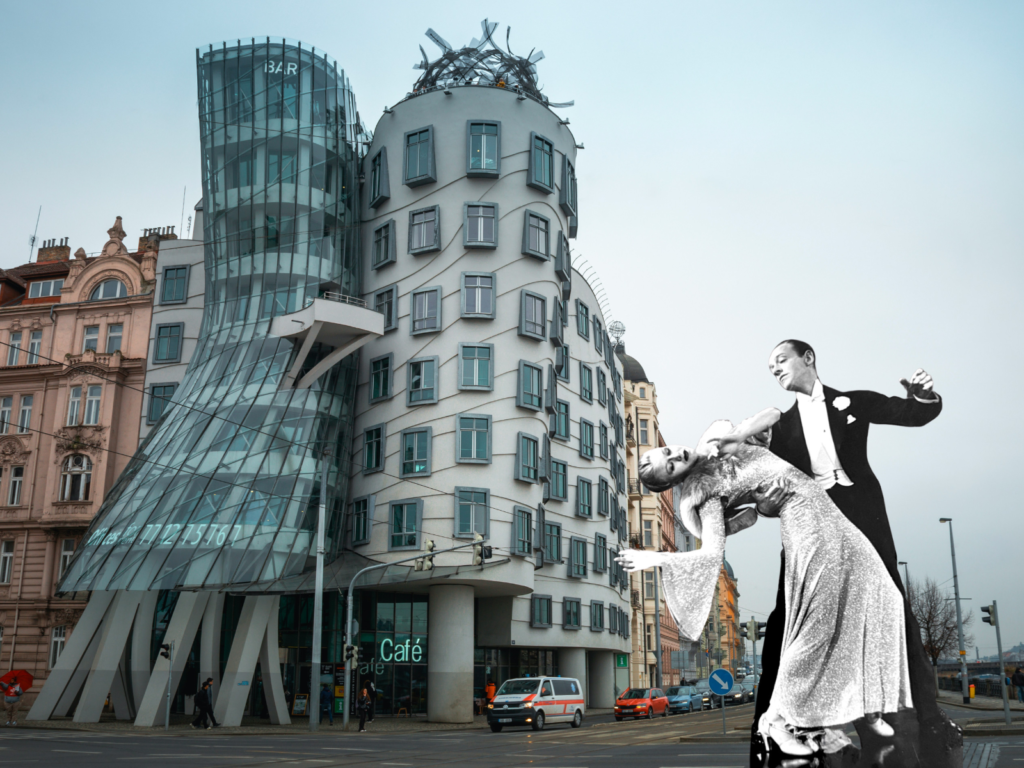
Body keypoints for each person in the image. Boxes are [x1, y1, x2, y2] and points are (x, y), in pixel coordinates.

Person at [625, 408, 910, 758]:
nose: (675, 457)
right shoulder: (704, 495)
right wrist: (657, 558)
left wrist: (736, 437)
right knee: (817, 623)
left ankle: (871, 704)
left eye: (666, 453)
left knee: (886, 595)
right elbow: (715, 550)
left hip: (823, 507)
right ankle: (776, 720)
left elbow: (772, 414)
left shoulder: (716, 435)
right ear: (673, 482)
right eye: (669, 468)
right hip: (803, 524)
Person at [752, 340, 958, 767]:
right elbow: (764, 495)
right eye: (769, 367)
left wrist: (922, 395)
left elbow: (913, 414)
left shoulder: (853, 401)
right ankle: (772, 733)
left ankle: (929, 721)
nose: (774, 369)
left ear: (807, 358)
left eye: (781, 360)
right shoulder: (779, 430)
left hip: (862, 513)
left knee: (895, 606)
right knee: (786, 613)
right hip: (810, 526)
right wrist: (766, 503)